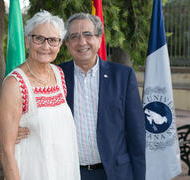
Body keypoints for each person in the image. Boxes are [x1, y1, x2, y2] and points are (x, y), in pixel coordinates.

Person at [18, 13, 145, 180]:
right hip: (69, 172)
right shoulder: (55, 76)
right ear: (67, 44)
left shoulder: (122, 76)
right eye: (74, 36)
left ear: (99, 39)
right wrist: (15, 130)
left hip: (115, 173)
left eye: (87, 35)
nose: (82, 42)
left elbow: (136, 134)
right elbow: (38, 115)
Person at [0, 10, 80, 180]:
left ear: (59, 44)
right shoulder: (15, 84)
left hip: (63, 171)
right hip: (31, 171)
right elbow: (6, 150)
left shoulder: (59, 75)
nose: (46, 46)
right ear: (27, 41)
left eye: (53, 40)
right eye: (39, 38)